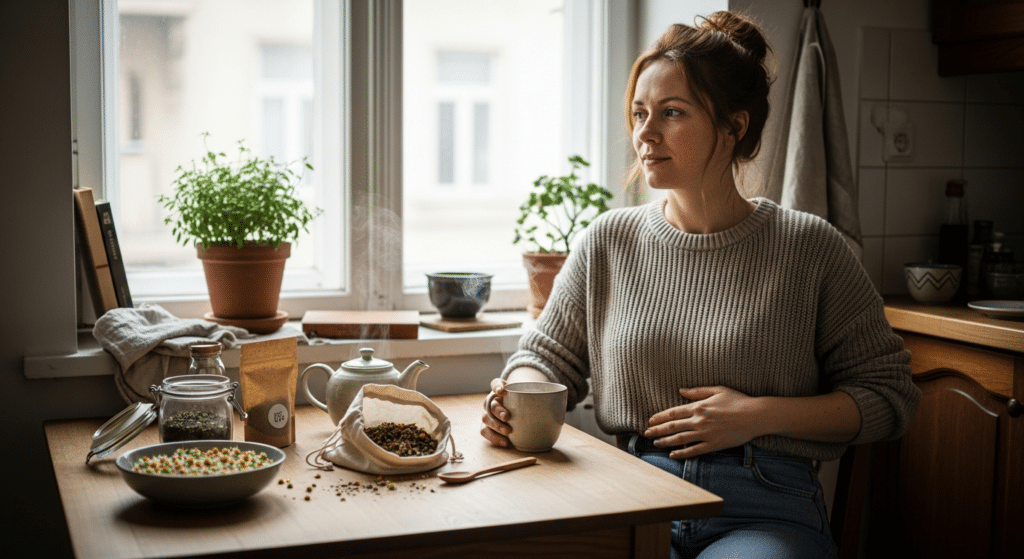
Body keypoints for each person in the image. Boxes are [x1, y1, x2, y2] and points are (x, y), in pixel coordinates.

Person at [481, 11, 921, 559]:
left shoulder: (811, 248)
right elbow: (545, 359)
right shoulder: (609, 241)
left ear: (734, 126)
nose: (645, 133)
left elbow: (889, 397)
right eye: (640, 113)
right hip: (634, 496)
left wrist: (757, 415)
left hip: (766, 505)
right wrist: (514, 396)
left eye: (671, 113)